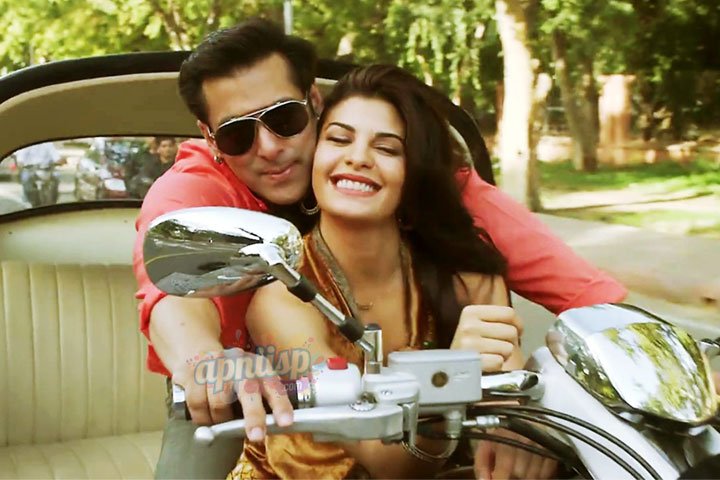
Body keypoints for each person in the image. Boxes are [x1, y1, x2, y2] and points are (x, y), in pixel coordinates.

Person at [132, 18, 627, 480]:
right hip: (238, 397)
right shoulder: (193, 194)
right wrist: (207, 362)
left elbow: (593, 304)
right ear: (210, 138)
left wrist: (525, 412)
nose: (268, 146)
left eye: (284, 118)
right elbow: (170, 297)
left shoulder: (448, 220)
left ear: (313, 102)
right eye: (237, 133)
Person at [225, 63, 543, 479]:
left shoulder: (471, 278)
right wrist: (450, 374)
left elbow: (508, 416)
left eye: (388, 149)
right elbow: (386, 461)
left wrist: (521, 427)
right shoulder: (282, 296)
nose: (358, 158)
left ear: (415, 174)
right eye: (339, 139)